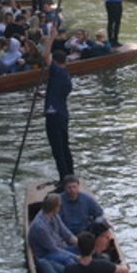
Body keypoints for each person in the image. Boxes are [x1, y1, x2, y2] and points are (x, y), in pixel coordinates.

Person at [42, 27, 75, 181]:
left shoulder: (57, 71)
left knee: (57, 150)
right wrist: (44, 94)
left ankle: (64, 179)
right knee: (65, 147)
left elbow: (44, 56)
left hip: (53, 115)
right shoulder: (66, 76)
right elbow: (58, 93)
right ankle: (70, 175)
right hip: (62, 114)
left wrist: (51, 37)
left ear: (55, 61)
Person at [28, 193, 79, 273]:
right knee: (69, 260)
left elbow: (66, 233)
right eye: (59, 205)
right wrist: (76, 257)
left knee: (80, 250)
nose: (60, 207)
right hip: (46, 255)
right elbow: (53, 249)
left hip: (59, 248)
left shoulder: (54, 215)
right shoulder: (40, 227)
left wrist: (80, 244)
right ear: (54, 207)